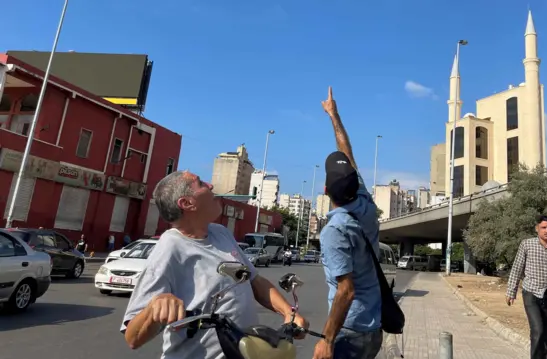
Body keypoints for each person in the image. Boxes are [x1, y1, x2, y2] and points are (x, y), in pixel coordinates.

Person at [120, 171, 309, 358]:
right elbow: (132, 338)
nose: (210, 185)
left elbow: (254, 281)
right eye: (200, 183)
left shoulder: (221, 233)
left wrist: (289, 313)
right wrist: (154, 308)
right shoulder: (170, 248)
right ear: (187, 203)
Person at [313, 87, 382, 359]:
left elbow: (346, 290)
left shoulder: (334, 231)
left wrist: (327, 340)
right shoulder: (365, 204)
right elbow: (347, 152)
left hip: (350, 332)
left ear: (325, 190)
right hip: (373, 328)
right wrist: (334, 115)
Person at [506, 215, 547, 359]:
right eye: (543, 227)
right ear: (537, 229)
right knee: (538, 331)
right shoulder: (527, 245)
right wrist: (511, 291)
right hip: (532, 294)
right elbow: (517, 268)